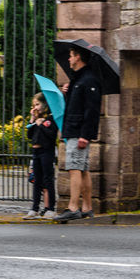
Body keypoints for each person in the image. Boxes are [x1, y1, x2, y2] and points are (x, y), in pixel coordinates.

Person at [54, 46, 102, 222]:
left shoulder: (89, 80)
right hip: (75, 129)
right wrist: (68, 93)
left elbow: (92, 110)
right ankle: (87, 207)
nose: (68, 59)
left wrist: (85, 135)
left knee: (74, 168)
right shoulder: (79, 79)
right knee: (83, 169)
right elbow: (76, 106)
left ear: (79, 57)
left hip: (78, 132)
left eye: (71, 56)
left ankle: (73, 207)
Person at [22, 93, 58, 220]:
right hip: (36, 152)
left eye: (37, 104)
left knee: (48, 179)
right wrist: (32, 120)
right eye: (33, 105)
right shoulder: (37, 118)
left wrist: (41, 125)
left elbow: (51, 135)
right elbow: (29, 135)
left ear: (44, 105)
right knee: (37, 181)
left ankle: (50, 209)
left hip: (46, 152)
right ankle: (34, 208)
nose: (35, 107)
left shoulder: (50, 119)